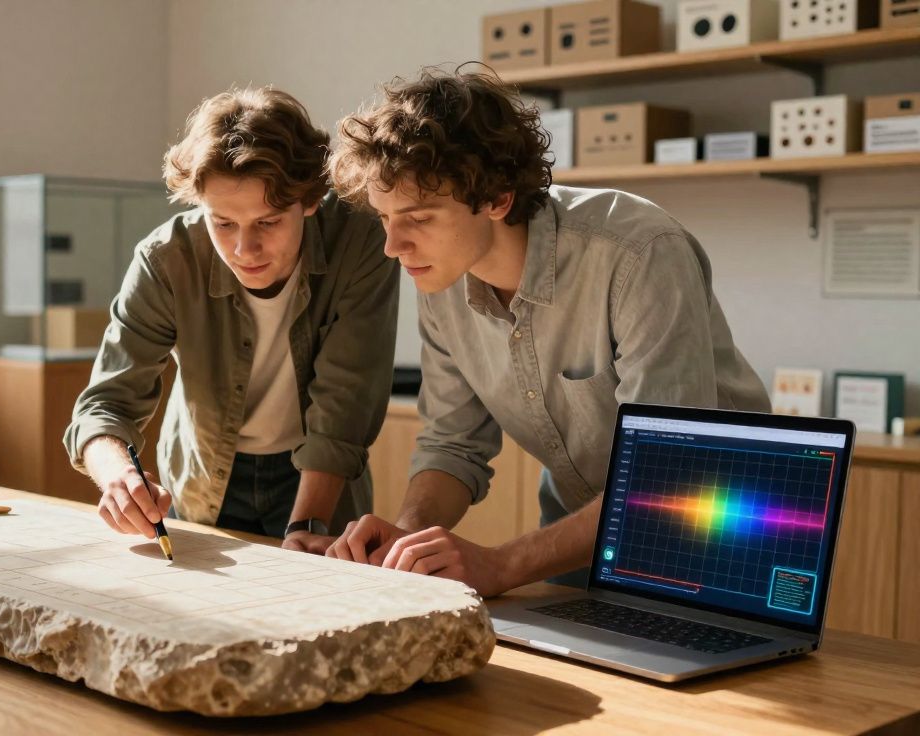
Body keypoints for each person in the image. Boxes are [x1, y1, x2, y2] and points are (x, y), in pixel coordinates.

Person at [325, 66, 770, 593]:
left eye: (418, 219)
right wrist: (407, 539)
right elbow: (453, 445)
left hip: (721, 529)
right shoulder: (441, 277)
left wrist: (502, 564)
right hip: (580, 530)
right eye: (383, 217)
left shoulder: (639, 253)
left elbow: (664, 468)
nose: (392, 246)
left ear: (497, 199)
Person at [64, 87, 398, 554]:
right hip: (205, 479)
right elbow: (104, 406)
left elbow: (344, 409)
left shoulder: (361, 242)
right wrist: (118, 478)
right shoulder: (166, 260)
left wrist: (306, 523)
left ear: (309, 200)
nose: (245, 250)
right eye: (222, 223)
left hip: (317, 477)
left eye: (267, 222)